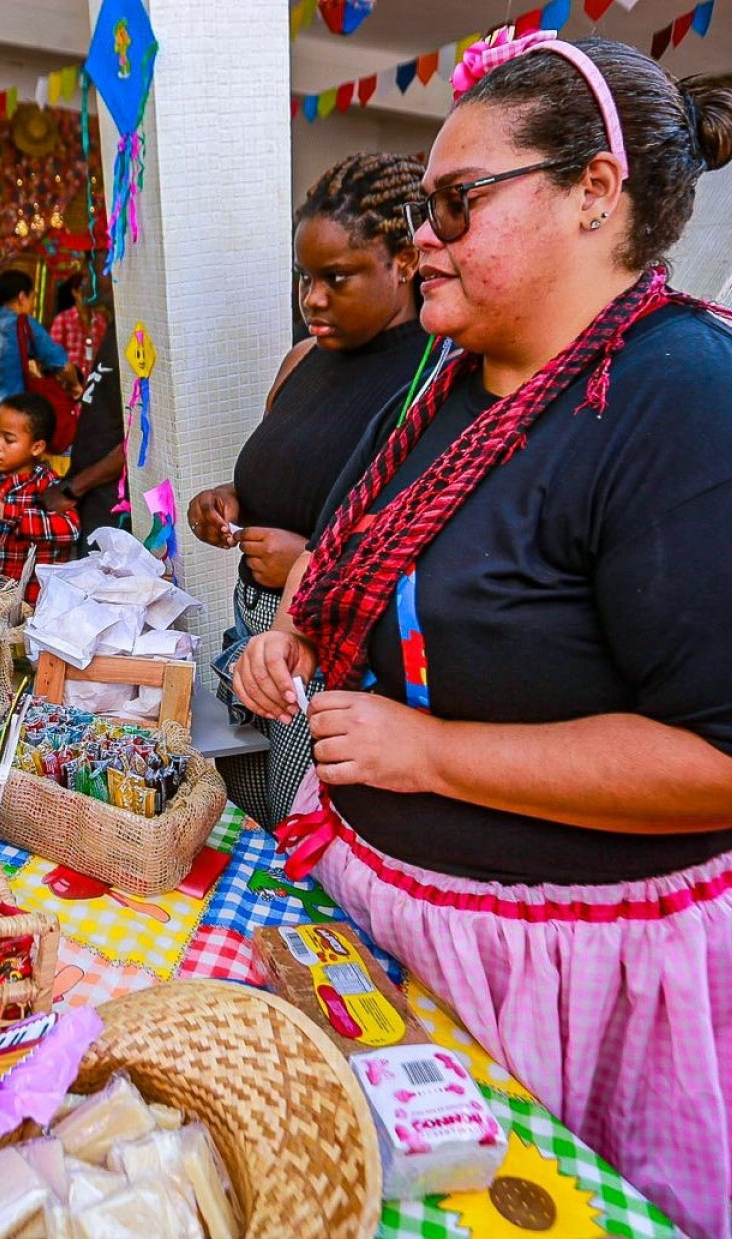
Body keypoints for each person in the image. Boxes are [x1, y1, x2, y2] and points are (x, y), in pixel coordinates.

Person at [235, 32, 732, 1239]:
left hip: (574, 974)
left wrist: (433, 755)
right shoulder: (453, 381)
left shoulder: (720, 420)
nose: (422, 238)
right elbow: (376, 552)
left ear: (596, 191)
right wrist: (300, 630)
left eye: (456, 203)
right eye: (423, 209)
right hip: (408, 925)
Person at [189, 152, 429, 828]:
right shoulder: (302, 360)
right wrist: (226, 498)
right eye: (305, 278)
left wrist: (306, 561)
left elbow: (421, 538)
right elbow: (286, 472)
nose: (313, 299)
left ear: (405, 262)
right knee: (240, 803)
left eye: (337, 278)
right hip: (252, 626)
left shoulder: (430, 381)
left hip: (321, 648)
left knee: (299, 832)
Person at [0, 391, 79, 602]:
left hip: (31, 598)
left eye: (9, 440)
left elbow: (70, 529)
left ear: (37, 447)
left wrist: (8, 513)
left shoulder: (47, 484)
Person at [0, 270, 73, 471]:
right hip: (12, 429)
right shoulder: (23, 324)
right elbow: (63, 364)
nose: (32, 303)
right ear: (22, 296)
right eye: (32, 297)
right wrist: (75, 387)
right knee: (15, 489)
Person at [45, 325, 127, 546]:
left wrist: (74, 489)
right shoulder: (116, 327)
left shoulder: (136, 329)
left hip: (109, 498)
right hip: (89, 491)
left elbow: (136, 443)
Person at [49, 272, 109, 381]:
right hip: (68, 382)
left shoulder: (101, 322)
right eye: (83, 290)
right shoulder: (62, 319)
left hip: (94, 381)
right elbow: (54, 356)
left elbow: (105, 356)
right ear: (74, 292)